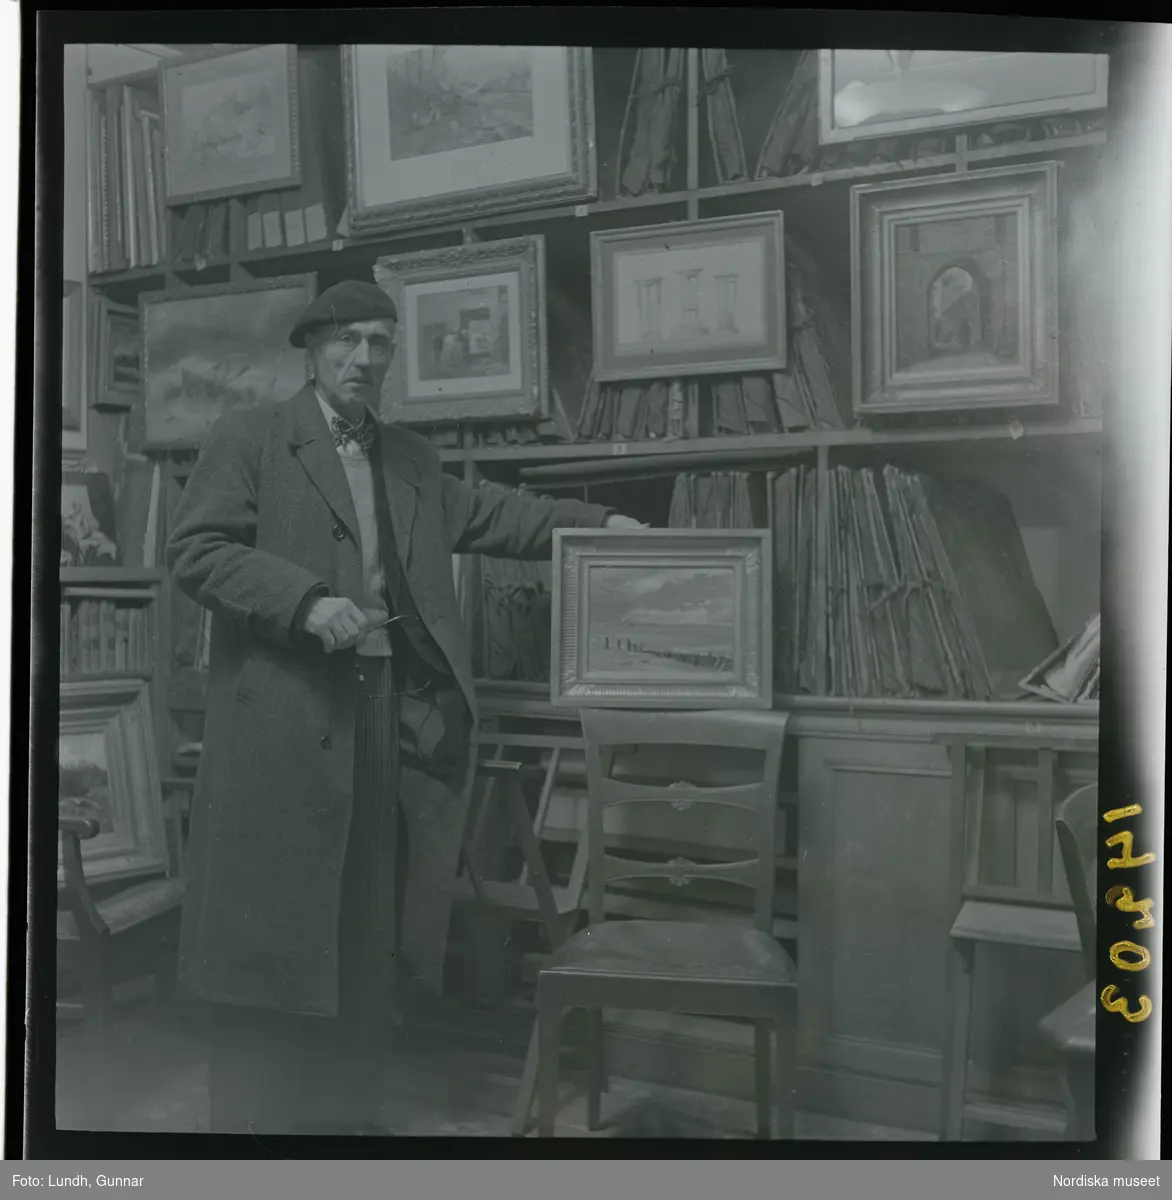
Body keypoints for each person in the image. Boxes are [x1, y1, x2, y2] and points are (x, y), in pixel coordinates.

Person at [166, 279, 643, 1136]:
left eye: (379, 342)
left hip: (385, 715)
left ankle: (345, 1126)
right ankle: (248, 1138)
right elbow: (196, 551)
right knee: (271, 933)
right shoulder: (251, 438)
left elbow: (495, 514)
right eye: (346, 340)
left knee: (364, 926)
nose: (363, 358)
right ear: (311, 349)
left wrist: (603, 523)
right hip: (282, 721)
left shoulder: (409, 458)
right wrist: (305, 602)